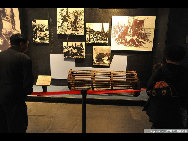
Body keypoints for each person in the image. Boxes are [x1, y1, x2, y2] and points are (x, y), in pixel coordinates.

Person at [144, 44, 188, 129]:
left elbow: (149, 88)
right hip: (177, 111)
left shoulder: (160, 70)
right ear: (182, 57)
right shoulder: (184, 72)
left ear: (166, 56)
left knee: (157, 128)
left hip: (158, 111)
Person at [0, 33, 33, 133]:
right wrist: (25, 93)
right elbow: (28, 83)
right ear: (21, 43)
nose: (27, 46)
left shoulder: (1, 55)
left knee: (3, 126)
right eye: (27, 44)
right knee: (17, 127)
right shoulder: (24, 59)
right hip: (16, 100)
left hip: (1, 98)